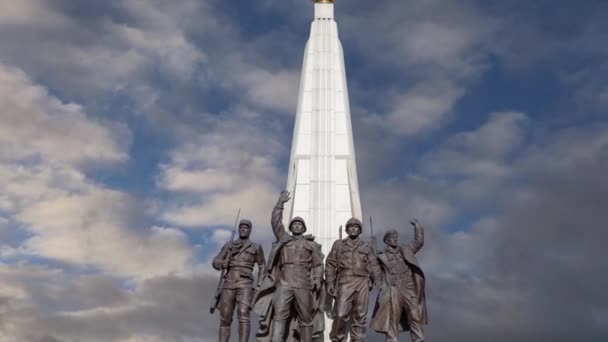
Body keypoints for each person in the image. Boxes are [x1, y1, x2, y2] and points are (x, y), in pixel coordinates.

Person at [252, 191, 324, 342]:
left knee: (306, 318)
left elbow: (317, 264)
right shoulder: (284, 239)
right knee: (279, 316)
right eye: (294, 224)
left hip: (303, 283)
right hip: (284, 283)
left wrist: (317, 278)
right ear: (291, 228)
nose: (297, 226)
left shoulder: (311, 245)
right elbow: (275, 222)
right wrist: (280, 204)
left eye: (299, 224)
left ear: (303, 229)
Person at [325, 217, 382, 342]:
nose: (353, 228)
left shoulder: (366, 246)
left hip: (362, 282)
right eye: (350, 227)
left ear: (360, 230)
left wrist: (377, 278)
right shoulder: (339, 244)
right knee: (340, 314)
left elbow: (374, 265)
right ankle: (336, 339)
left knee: (360, 316)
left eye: (355, 227)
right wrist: (329, 282)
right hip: (345, 281)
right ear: (347, 230)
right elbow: (330, 264)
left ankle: (358, 340)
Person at [371, 219, 428, 342]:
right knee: (393, 316)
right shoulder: (381, 256)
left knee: (414, 314)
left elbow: (419, 242)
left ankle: (418, 339)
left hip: (408, 286)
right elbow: (376, 273)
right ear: (387, 240)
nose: (395, 239)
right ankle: (391, 340)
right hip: (393, 288)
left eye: (396, 236)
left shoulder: (406, 249)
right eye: (392, 237)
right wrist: (381, 286)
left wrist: (417, 227)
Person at [212, 219, 267, 342]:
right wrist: (222, 262)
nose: (243, 229)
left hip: (245, 283)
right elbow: (215, 261)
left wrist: (259, 286)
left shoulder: (255, 247)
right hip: (229, 283)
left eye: (246, 228)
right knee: (225, 317)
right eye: (241, 227)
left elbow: (263, 266)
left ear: (250, 230)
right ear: (239, 230)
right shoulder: (229, 245)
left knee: (243, 314)